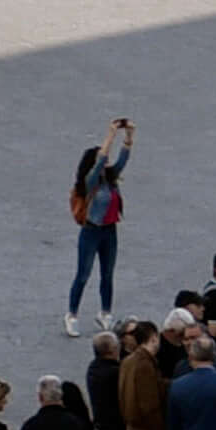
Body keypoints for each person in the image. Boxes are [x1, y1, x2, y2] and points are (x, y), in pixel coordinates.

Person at [65, 119, 135, 335]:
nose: (105, 162)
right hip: (91, 231)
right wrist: (110, 135)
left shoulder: (110, 180)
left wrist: (129, 136)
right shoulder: (90, 181)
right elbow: (101, 159)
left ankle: (105, 313)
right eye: (100, 160)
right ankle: (72, 314)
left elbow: (122, 159)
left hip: (109, 231)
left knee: (108, 274)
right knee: (83, 274)